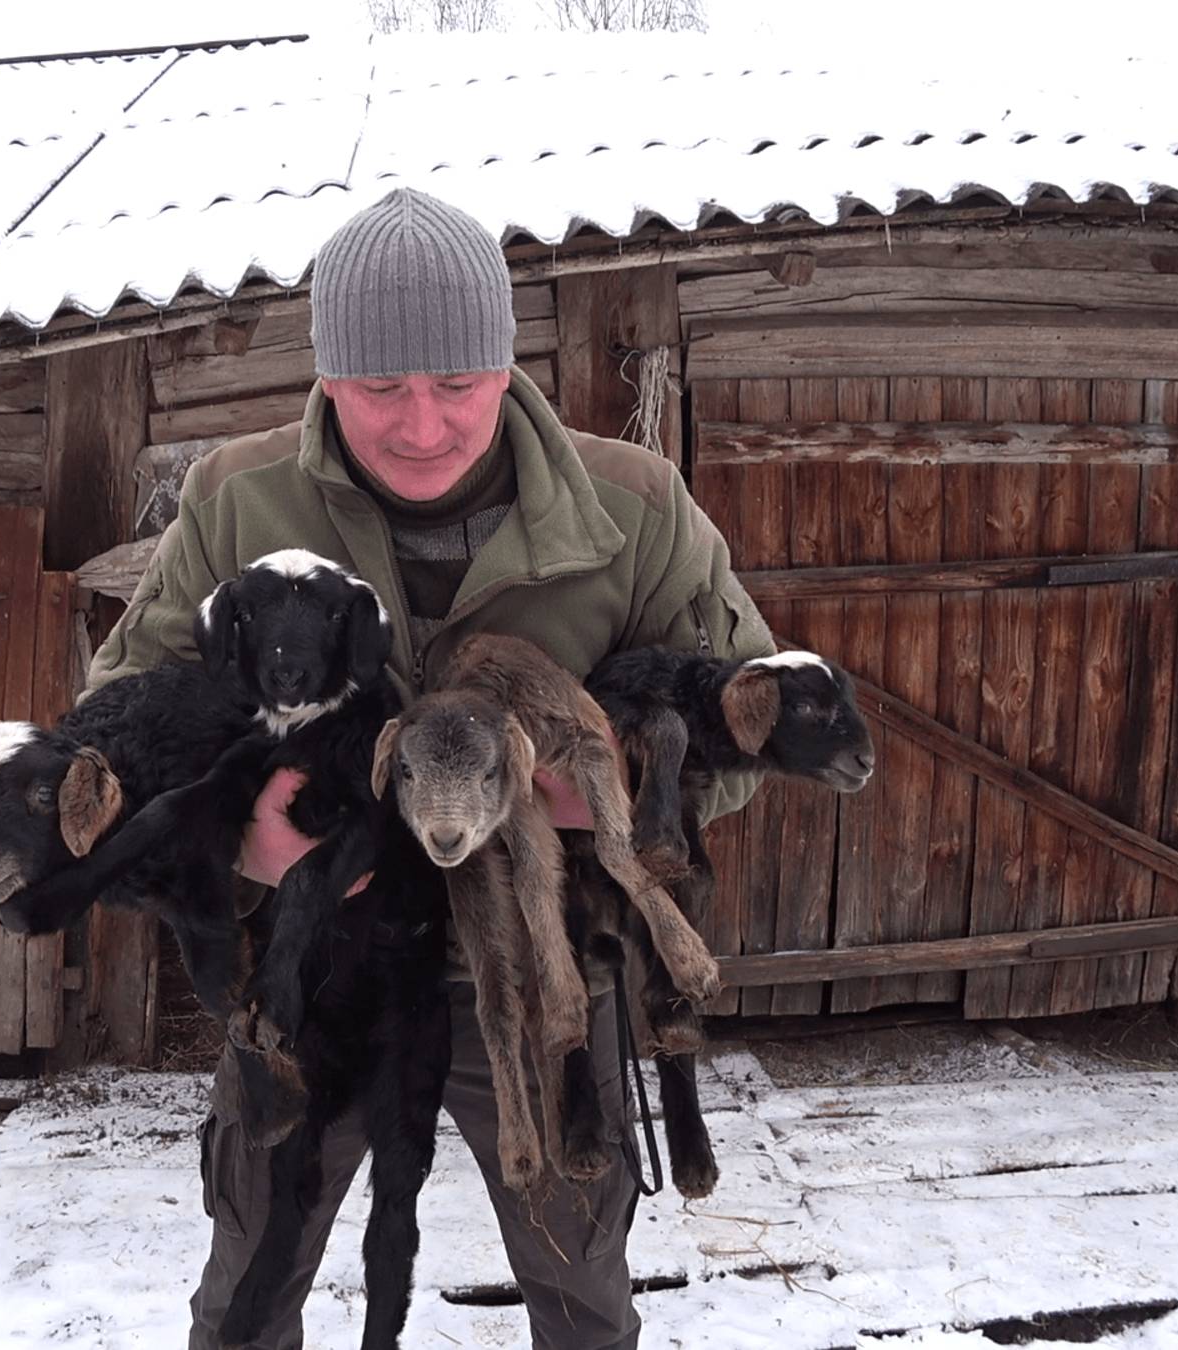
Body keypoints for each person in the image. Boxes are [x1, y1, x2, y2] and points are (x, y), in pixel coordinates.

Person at [86, 186, 777, 1350]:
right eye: (379, 388)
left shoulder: (638, 511)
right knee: (247, 1300)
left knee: (585, 1300)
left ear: (505, 365)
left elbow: (756, 729)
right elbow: (113, 732)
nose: (420, 426)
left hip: (551, 986)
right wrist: (238, 832)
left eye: (456, 383)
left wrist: (599, 788)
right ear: (325, 374)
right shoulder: (235, 503)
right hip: (307, 979)